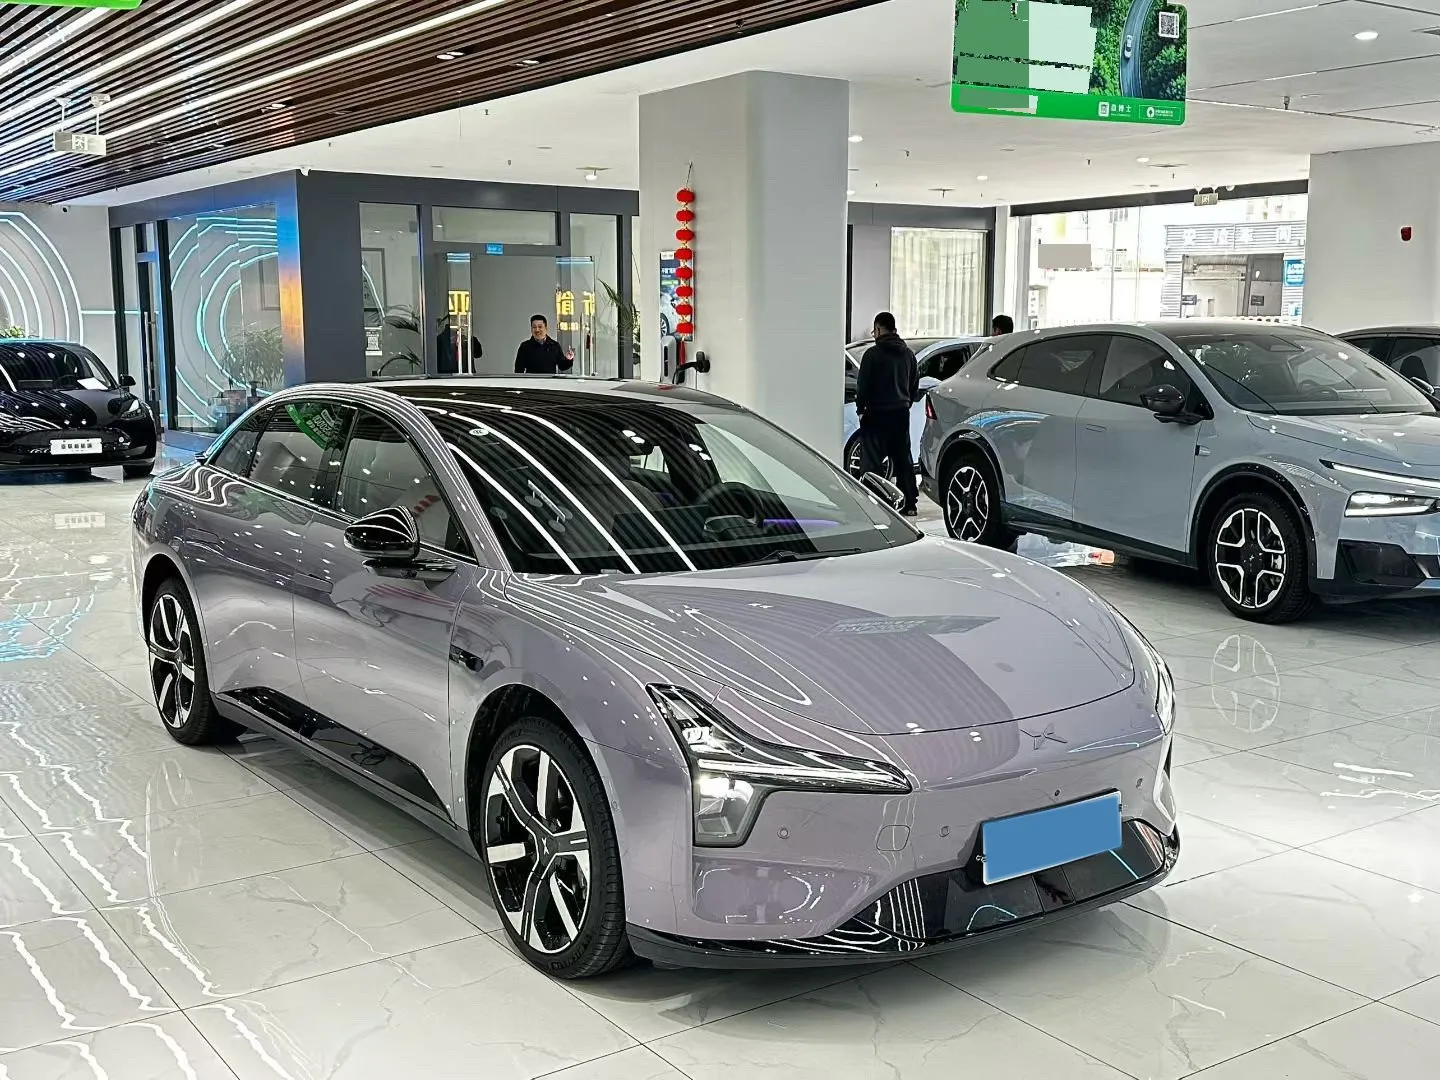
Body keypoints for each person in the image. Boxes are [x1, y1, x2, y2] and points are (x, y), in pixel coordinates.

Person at [855, 311, 920, 516]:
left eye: (874, 331)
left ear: (879, 329)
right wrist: (905, 403)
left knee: (872, 462)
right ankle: (909, 504)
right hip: (900, 414)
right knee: (903, 460)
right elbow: (914, 386)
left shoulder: (872, 355)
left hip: (876, 415)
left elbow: (863, 387)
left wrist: (860, 410)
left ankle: (875, 504)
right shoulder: (908, 355)